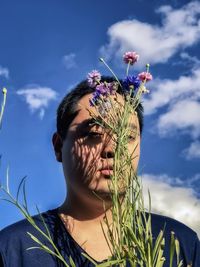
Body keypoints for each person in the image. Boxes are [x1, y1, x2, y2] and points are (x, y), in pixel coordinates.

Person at [0, 77, 199, 267]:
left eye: (127, 136)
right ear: (59, 147)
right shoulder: (13, 249)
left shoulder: (180, 243)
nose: (111, 148)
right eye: (94, 134)